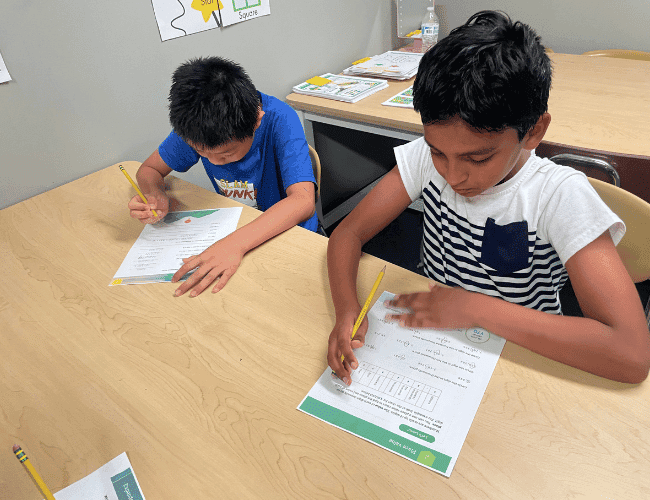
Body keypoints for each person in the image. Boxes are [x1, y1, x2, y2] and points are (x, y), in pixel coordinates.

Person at [327, 11, 650, 385]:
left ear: (533, 132)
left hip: (524, 355)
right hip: (436, 342)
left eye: (478, 158)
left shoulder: (558, 195)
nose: (452, 174)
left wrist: (475, 309)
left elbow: (631, 354)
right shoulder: (423, 158)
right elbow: (347, 234)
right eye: (437, 152)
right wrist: (347, 310)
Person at [128, 56, 318, 297]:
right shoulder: (199, 126)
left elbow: (303, 201)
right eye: (200, 152)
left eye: (226, 154)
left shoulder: (280, 119)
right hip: (237, 231)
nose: (212, 160)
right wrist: (155, 194)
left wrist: (234, 244)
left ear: (256, 121)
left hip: (291, 237)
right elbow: (149, 170)